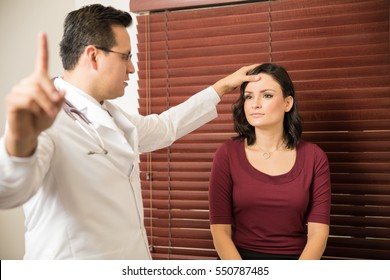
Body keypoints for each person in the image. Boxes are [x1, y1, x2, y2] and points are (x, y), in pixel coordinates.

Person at [0, 4, 260, 260]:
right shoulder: (44, 121)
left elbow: (165, 127)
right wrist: (19, 141)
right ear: (93, 56)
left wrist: (222, 87)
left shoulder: (111, 114)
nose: (132, 68)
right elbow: (9, 191)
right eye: (125, 56)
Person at [208, 63, 331, 260]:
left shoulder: (314, 157)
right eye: (248, 96)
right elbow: (220, 231)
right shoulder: (227, 154)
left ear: (287, 103)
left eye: (267, 95)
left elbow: (318, 234)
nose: (255, 103)